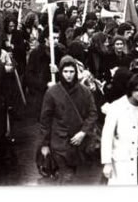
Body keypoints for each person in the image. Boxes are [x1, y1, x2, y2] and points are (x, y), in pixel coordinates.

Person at [37, 56, 98, 184]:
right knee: (67, 175)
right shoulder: (52, 92)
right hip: (59, 141)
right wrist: (44, 144)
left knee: (71, 174)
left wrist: (83, 132)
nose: (68, 75)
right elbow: (45, 121)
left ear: (76, 72)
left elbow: (92, 113)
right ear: (60, 72)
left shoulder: (85, 92)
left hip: (77, 142)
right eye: (65, 72)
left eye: (71, 71)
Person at [101, 74, 138, 185]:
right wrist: (107, 163)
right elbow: (107, 136)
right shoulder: (116, 107)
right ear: (131, 90)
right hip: (121, 160)